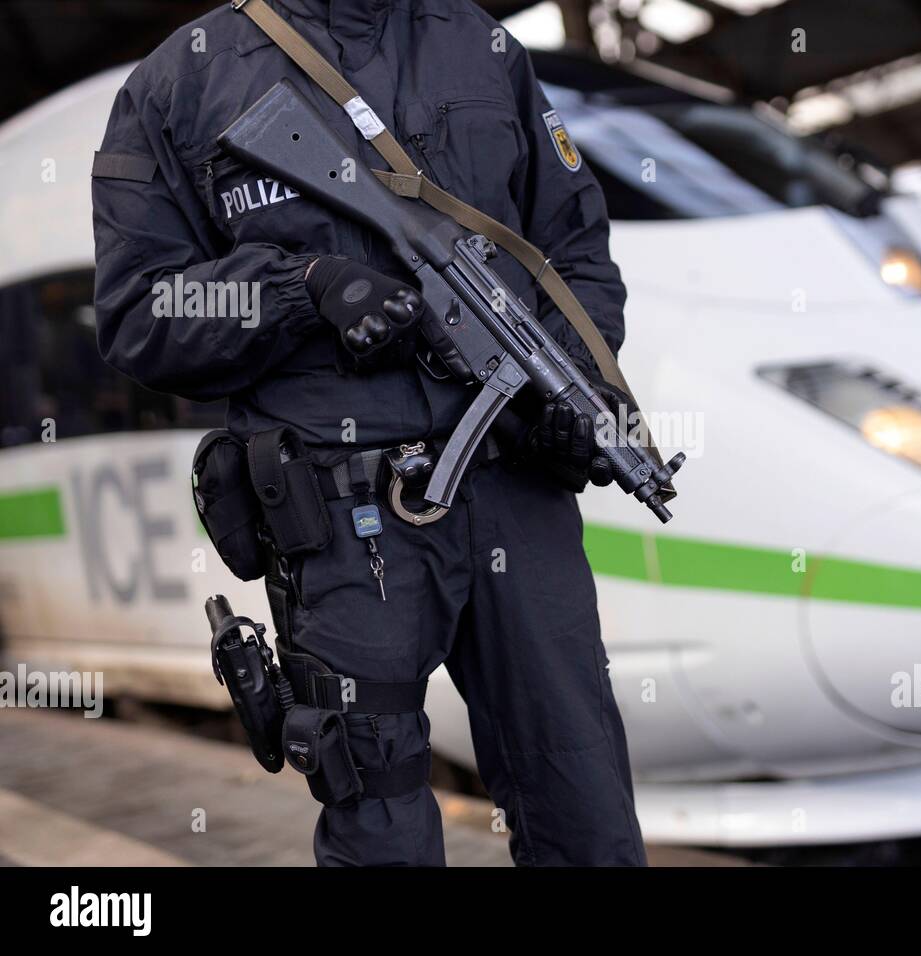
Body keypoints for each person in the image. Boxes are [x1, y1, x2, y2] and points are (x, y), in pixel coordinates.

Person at [91, 0, 647, 867]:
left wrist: (574, 392)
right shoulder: (180, 82)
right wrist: (303, 289)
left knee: (586, 808)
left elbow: (573, 253)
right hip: (348, 528)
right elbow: (141, 312)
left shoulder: (483, 46)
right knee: (378, 819)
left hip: (516, 495)